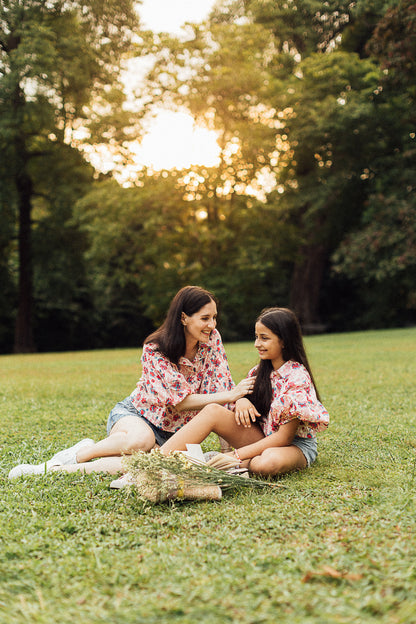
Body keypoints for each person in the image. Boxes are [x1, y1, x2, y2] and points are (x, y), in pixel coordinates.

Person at [9, 286, 254, 479]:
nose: (212, 325)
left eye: (214, 318)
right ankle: (79, 454)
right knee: (141, 442)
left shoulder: (212, 340)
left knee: (134, 467)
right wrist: (232, 395)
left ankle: (58, 471)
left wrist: (227, 454)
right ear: (183, 318)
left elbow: (222, 386)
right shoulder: (155, 349)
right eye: (205, 318)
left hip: (175, 433)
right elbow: (181, 402)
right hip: (137, 417)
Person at [161, 307, 329, 476]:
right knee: (213, 411)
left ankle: (229, 462)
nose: (257, 344)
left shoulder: (297, 378)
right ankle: (156, 460)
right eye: (256, 337)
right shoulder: (258, 372)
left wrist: (235, 454)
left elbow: (283, 438)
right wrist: (242, 401)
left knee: (264, 463)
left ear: (284, 341)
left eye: (264, 338)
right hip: (263, 437)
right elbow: (239, 401)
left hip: (292, 446)